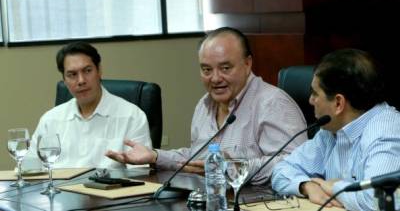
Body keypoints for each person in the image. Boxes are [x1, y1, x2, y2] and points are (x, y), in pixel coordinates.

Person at [106, 27, 307, 184]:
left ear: (247, 64)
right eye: (206, 70)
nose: (215, 78)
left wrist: (231, 168)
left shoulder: (273, 104)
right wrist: (155, 156)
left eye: (225, 68)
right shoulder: (204, 105)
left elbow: (292, 163)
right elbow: (197, 159)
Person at [271, 48, 400, 210]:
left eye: (315, 93)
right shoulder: (330, 129)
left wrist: (335, 187)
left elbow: (378, 202)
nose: (310, 101)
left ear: (338, 103)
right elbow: (281, 170)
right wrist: (307, 186)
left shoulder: (385, 132)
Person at [24, 41, 152, 169]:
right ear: (64, 80)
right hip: (58, 188)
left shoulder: (132, 116)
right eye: (72, 74)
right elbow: (29, 170)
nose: (81, 81)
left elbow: (140, 174)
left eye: (87, 71)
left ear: (99, 71)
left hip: (109, 188)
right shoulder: (50, 120)